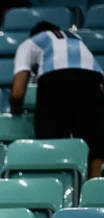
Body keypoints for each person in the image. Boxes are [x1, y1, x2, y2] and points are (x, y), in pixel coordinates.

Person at [10, 21, 104, 178]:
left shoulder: (30, 42)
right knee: (95, 144)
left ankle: (56, 186)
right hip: (92, 79)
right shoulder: (77, 39)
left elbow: (17, 92)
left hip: (54, 80)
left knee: (52, 143)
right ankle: (92, 188)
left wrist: (16, 111)